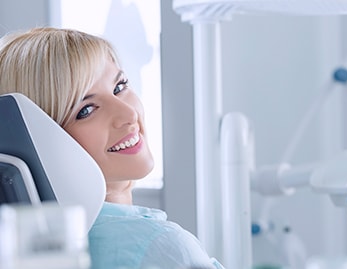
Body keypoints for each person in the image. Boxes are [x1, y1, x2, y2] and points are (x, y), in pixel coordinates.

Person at [0, 27, 225, 269]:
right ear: (40, 140)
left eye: (120, 86)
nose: (129, 114)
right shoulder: (162, 247)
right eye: (85, 110)